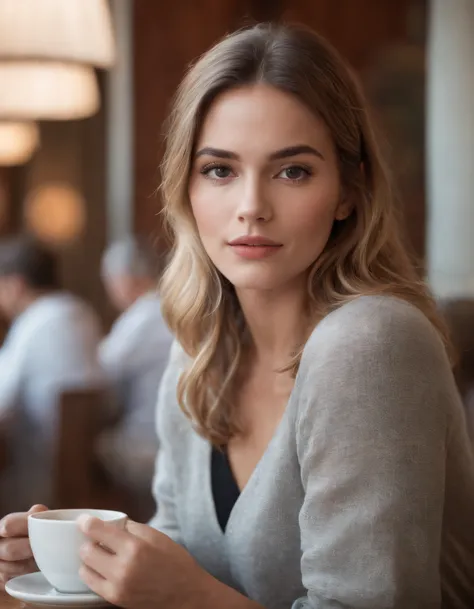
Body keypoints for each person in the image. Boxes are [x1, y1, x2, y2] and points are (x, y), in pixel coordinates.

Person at [1, 23, 474, 609]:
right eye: (220, 170)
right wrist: (87, 563)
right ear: (186, 188)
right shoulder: (195, 345)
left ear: (349, 191)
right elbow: (185, 549)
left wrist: (187, 597)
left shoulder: (370, 343)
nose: (252, 207)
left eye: (292, 170)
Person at [0, 236, 104, 511]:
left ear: (15, 285)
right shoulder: (82, 312)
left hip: (36, 477)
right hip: (81, 468)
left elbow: (2, 400)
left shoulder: (34, 322)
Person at [97, 236, 173, 492]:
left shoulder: (142, 317)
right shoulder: (176, 308)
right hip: (179, 438)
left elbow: (100, 374)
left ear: (123, 280)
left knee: (88, 447)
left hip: (149, 443)